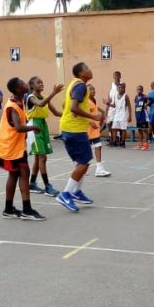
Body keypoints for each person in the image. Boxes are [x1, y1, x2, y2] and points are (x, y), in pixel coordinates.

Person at [55, 62, 103, 212]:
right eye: (87, 68)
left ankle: (76, 192)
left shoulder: (74, 84)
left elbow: (67, 105)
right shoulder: (81, 86)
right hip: (74, 130)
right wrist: (93, 116)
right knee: (85, 161)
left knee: (82, 161)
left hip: (71, 127)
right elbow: (73, 107)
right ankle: (66, 193)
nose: (90, 70)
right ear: (82, 73)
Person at [0, 77, 45, 221]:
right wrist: (33, 127)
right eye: (23, 83)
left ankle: (10, 208)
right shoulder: (12, 105)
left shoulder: (20, 100)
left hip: (16, 146)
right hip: (9, 146)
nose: (26, 84)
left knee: (18, 174)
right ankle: (25, 210)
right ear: (18, 89)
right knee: (19, 173)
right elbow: (18, 127)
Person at [26, 76, 64, 196]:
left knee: (39, 158)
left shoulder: (44, 97)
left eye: (42, 82)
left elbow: (57, 113)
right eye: (38, 82)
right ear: (32, 86)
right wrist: (54, 93)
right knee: (42, 157)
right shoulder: (31, 97)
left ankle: (32, 183)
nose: (41, 84)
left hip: (43, 125)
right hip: (34, 125)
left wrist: (70, 113)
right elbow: (41, 104)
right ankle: (47, 186)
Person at [88, 84, 111, 177]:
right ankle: (82, 167)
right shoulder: (86, 102)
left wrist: (102, 119)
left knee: (98, 146)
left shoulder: (94, 101)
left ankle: (99, 168)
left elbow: (100, 112)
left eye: (94, 89)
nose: (93, 90)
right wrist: (90, 122)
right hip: (88, 130)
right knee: (86, 150)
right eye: (91, 89)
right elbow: (83, 114)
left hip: (95, 129)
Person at [110, 82, 131, 148]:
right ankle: (114, 141)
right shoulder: (115, 96)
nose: (120, 89)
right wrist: (108, 103)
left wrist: (130, 116)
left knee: (123, 129)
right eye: (119, 88)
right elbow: (114, 105)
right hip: (117, 115)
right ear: (117, 89)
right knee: (114, 128)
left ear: (124, 88)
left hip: (123, 115)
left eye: (122, 87)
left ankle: (123, 142)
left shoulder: (126, 96)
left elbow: (129, 106)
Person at [105, 71, 122, 146]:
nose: (116, 77)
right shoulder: (112, 86)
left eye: (117, 75)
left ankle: (118, 140)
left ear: (120, 76)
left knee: (117, 124)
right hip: (111, 108)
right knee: (109, 123)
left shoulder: (122, 85)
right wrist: (106, 108)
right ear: (113, 77)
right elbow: (109, 98)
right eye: (115, 76)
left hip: (118, 108)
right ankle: (111, 138)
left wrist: (118, 83)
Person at [133, 85, 150, 151]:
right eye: (137, 89)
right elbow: (136, 106)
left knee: (145, 130)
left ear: (142, 90)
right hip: (138, 116)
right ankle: (140, 144)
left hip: (143, 116)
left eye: (140, 89)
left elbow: (152, 100)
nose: (138, 90)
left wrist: (147, 104)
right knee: (139, 130)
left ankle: (146, 145)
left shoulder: (144, 96)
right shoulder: (136, 97)